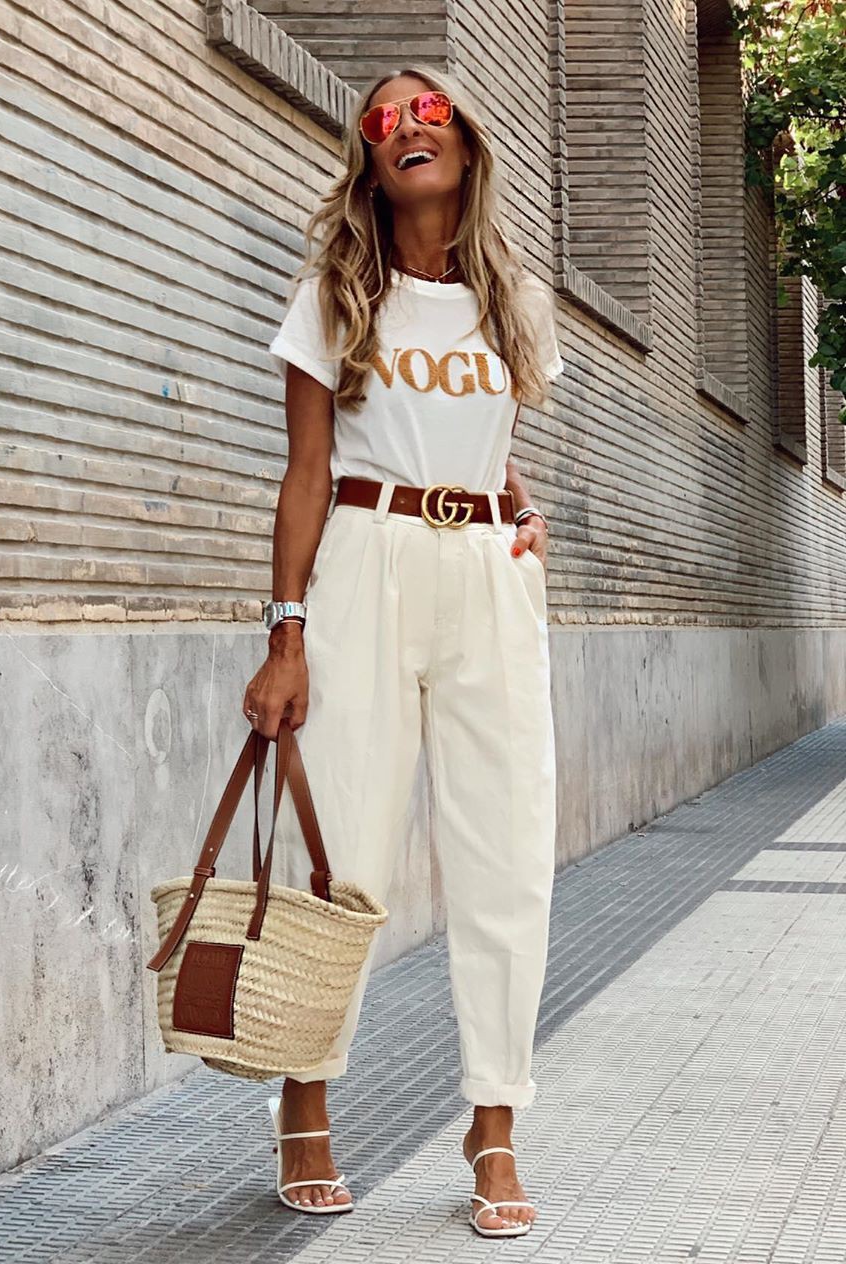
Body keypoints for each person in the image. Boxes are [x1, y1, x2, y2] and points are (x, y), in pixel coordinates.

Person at [243, 63, 564, 1239]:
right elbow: (307, 474)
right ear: (368, 161)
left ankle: (495, 1125)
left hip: (488, 579)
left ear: (467, 148)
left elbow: (488, 438)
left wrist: (515, 507)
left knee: (508, 853)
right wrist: (286, 636)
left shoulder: (517, 301)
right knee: (351, 852)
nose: (404, 129)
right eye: (381, 121)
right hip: (365, 568)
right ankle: (307, 1101)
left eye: (427, 114)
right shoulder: (335, 292)